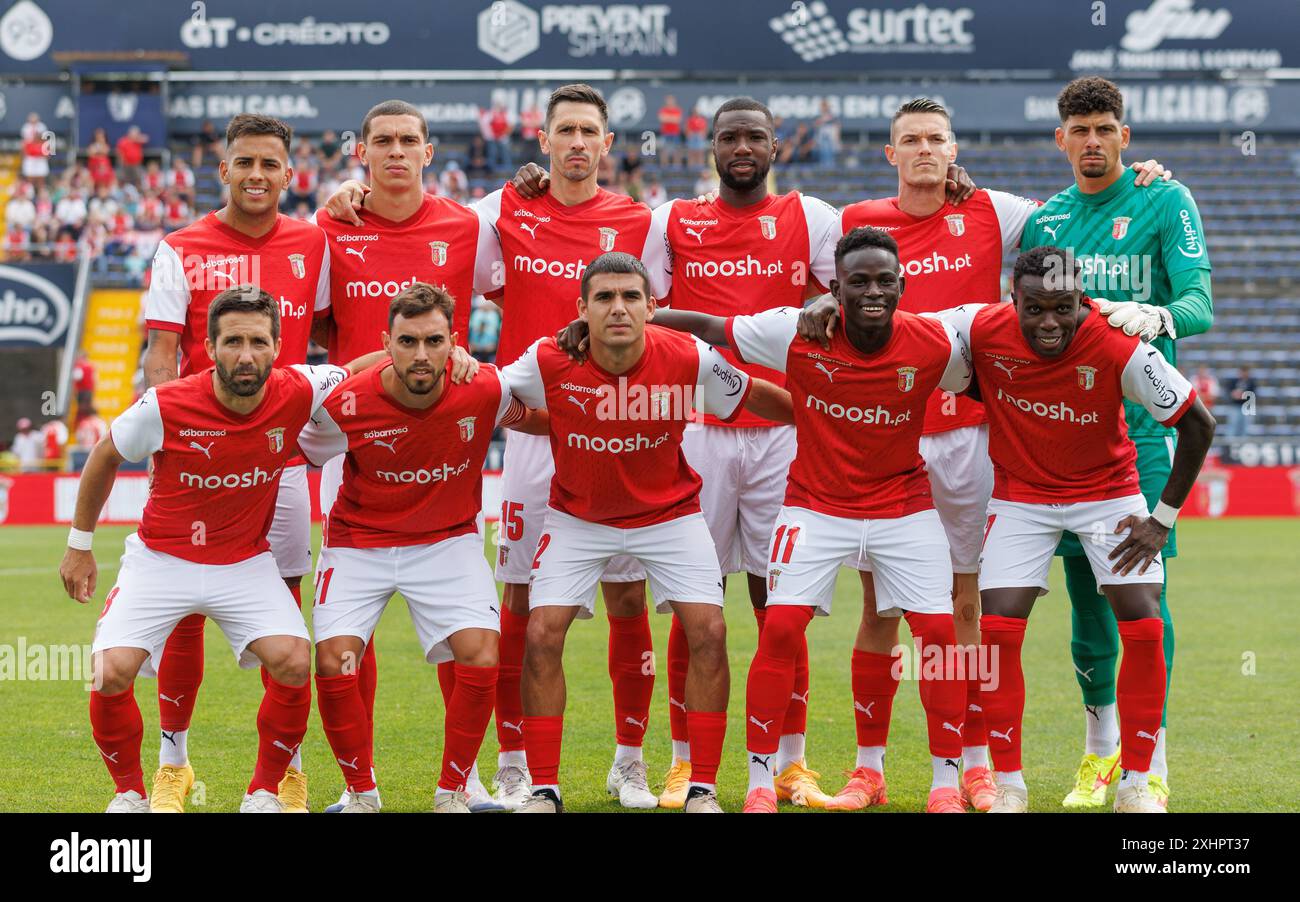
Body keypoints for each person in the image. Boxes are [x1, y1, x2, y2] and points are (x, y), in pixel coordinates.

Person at [798, 96, 1173, 809]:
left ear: (953, 147)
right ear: (891, 152)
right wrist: (820, 305)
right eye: (910, 139)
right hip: (890, 431)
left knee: (968, 605)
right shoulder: (852, 223)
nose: (924, 151)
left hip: (972, 437)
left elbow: (1077, 212)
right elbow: (820, 289)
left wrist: (1136, 175)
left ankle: (974, 765)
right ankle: (868, 767)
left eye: (936, 139)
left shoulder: (996, 212)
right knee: (881, 605)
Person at [611, 227, 974, 813]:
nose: (873, 292)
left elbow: (1013, 338)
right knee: (780, 628)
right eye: (858, 282)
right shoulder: (794, 330)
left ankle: (945, 784)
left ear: (904, 285)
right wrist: (626, 322)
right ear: (836, 287)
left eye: (885, 281)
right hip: (814, 505)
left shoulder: (936, 340)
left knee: (937, 638)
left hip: (903, 505)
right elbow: (710, 327)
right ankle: (761, 781)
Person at [500, 252, 793, 813]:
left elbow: (752, 395)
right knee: (540, 634)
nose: (618, 308)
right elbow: (492, 398)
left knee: (709, 629)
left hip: (669, 516)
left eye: (631, 297)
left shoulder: (689, 355)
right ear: (581, 308)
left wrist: (817, 416)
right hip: (577, 517)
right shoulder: (547, 359)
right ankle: (543, 789)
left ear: (652, 307)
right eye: (604, 298)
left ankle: (702, 787)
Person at [58, 288, 362, 813]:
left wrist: (448, 355)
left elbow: (361, 369)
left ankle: (264, 792)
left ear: (278, 346)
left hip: (243, 562)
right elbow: (105, 455)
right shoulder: (165, 404)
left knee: (293, 660)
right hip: (161, 560)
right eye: (233, 342)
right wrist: (79, 546)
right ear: (210, 345)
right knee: (109, 671)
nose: (246, 355)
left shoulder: (301, 387)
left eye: (258, 342)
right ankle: (130, 793)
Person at [935, 246, 1215, 813]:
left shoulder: (1117, 345)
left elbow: (1197, 424)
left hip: (1107, 497)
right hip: (1021, 500)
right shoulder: (981, 330)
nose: (1048, 322)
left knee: (1143, 625)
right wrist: (830, 309)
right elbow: (904, 331)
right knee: (999, 633)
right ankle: (1009, 786)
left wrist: (1161, 521)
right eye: (1034, 308)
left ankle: (1138, 783)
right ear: (1011, 299)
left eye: (1063, 307)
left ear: (1081, 299)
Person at [1018, 77, 1214, 810]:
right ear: (1060, 140)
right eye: (1081, 130)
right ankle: (1100, 754)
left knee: (1144, 602)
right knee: (1086, 601)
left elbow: (1200, 302)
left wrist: (1156, 316)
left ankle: (1149, 766)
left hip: (1144, 439)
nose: (1093, 141)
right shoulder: (1047, 221)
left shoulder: (1167, 200)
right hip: (1066, 439)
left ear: (1125, 136)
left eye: (1106, 128)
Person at [140, 113, 332, 813]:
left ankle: (285, 772)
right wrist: (166, 445)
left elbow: (335, 335)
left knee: (284, 619)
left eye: (270, 164)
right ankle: (173, 764)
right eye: (244, 162)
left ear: (290, 173)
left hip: (277, 464)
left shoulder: (316, 242)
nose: (257, 175)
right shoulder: (179, 247)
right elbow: (162, 357)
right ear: (223, 169)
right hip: (195, 466)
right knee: (184, 610)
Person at [312, 98, 498, 811]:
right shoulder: (330, 225)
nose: (395, 152)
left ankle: (468, 777)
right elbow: (313, 316)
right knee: (337, 642)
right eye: (382, 141)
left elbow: (515, 292)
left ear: (428, 152)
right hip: (353, 421)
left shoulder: (466, 225)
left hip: (442, 415)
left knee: (468, 635)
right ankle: (346, 784)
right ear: (360, 152)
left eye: (408, 141)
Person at [297, 283, 545, 813]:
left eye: (434, 341)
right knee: (336, 660)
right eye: (407, 341)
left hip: (447, 541)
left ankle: (454, 790)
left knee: (481, 650)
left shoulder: (484, 389)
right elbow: (298, 453)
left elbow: (545, 419)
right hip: (358, 544)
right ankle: (361, 794)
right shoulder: (346, 403)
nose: (422, 354)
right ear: (387, 342)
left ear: (454, 341)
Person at [1224, 367, 1256, 437]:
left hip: (1246, 407)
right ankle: (1230, 444)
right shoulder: (1233, 382)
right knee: (1232, 425)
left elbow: (1253, 395)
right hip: (1235, 406)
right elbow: (1228, 392)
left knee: (1245, 427)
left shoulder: (1251, 383)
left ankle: (1242, 446)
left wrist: (1242, 395)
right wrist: (1233, 394)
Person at [658, 94, 684, 168]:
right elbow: (662, 119)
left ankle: (676, 167)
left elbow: (678, 120)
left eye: (671, 100)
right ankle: (664, 166)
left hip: (675, 133)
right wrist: (672, 118)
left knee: (676, 151)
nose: (670, 102)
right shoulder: (663, 109)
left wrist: (668, 118)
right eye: (668, 100)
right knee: (664, 151)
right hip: (665, 133)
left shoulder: (677, 110)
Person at [814, 100, 840, 167]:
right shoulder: (818, 118)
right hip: (822, 140)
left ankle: (830, 169)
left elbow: (837, 127)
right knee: (823, 155)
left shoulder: (833, 117)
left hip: (831, 140)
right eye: (822, 106)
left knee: (830, 157)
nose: (823, 108)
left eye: (825, 106)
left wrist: (837, 140)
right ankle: (824, 169)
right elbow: (816, 127)